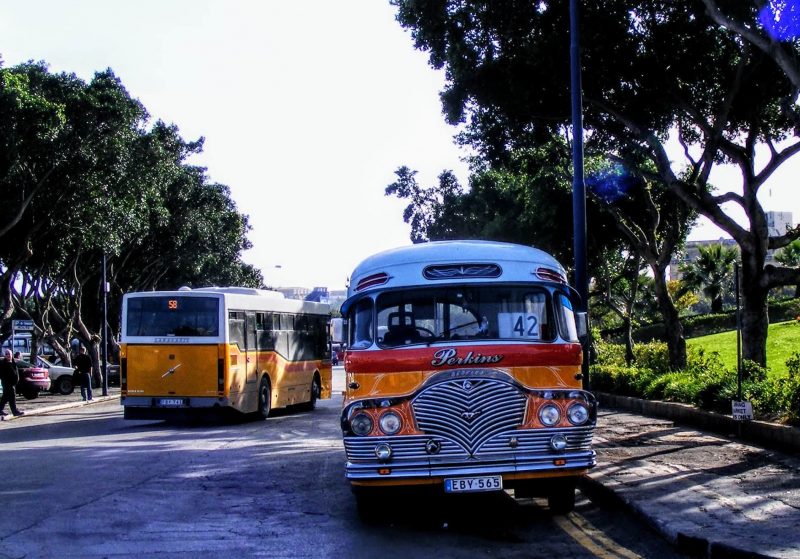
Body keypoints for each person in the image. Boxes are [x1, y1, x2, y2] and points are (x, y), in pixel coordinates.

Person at [0, 349, 24, 416]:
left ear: (11, 355)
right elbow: (2, 374)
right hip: (7, 383)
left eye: (9, 354)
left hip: (13, 383)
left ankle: (0, 409)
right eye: (6, 354)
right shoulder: (3, 363)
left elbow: (16, 372)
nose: (7, 355)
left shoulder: (13, 362)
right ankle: (15, 411)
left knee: (5, 397)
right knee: (12, 397)